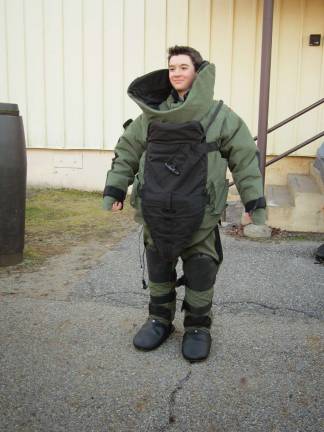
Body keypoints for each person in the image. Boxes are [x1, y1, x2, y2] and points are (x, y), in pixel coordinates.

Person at [103, 46, 267, 362]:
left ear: (198, 72)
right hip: (155, 210)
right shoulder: (151, 115)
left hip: (201, 212)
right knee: (159, 265)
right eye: (172, 67)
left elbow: (245, 158)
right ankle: (159, 320)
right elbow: (127, 150)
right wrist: (115, 190)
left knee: (201, 267)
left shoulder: (220, 116)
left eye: (183, 67)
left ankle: (197, 327)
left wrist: (254, 203)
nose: (176, 73)